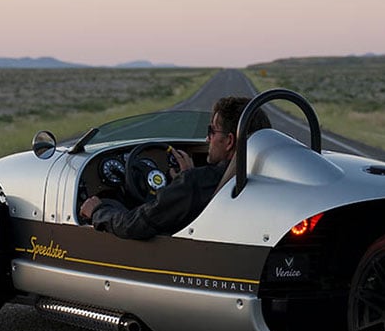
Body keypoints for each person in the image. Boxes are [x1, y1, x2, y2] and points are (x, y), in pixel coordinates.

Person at [79, 96, 271, 240]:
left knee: (111, 206)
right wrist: (185, 180)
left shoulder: (194, 184)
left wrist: (98, 211)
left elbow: (133, 225)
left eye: (211, 131)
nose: (207, 139)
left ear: (229, 141)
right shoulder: (264, 178)